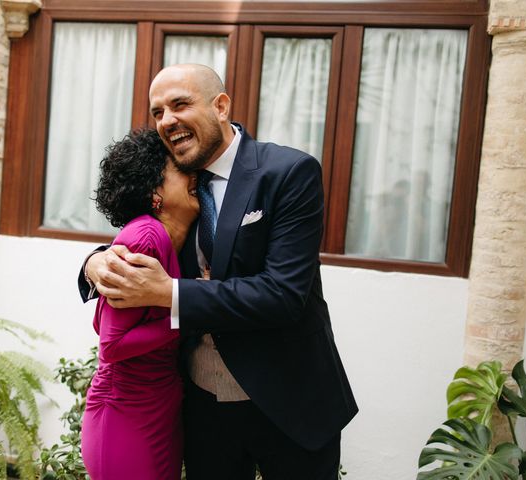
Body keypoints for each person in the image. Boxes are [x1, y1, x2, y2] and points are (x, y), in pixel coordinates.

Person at [79, 64, 358, 480]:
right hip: (204, 408)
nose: (167, 120)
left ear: (221, 106)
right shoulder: (175, 181)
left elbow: (282, 294)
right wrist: (94, 261)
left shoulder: (287, 173)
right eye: (157, 113)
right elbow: (145, 235)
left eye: (179, 104)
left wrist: (169, 294)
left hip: (290, 400)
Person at [79, 128, 198, 480]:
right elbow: (111, 343)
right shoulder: (145, 238)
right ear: (154, 190)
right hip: (127, 414)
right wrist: (191, 310)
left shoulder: (177, 238)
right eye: (181, 170)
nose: (195, 176)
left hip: (157, 407)